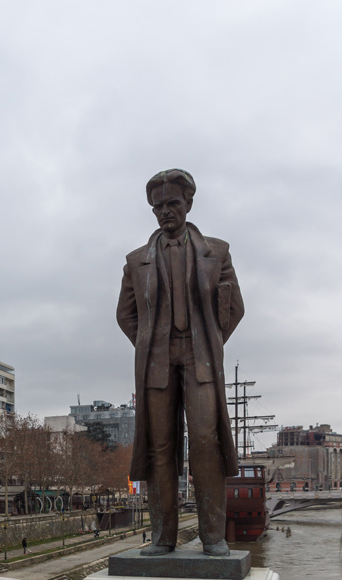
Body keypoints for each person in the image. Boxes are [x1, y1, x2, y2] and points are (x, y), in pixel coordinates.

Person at [117, 169, 244, 557]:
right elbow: (126, 315)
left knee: (205, 442)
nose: (165, 212)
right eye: (158, 206)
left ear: (188, 203)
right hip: (156, 359)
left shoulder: (216, 252)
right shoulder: (136, 261)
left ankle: (213, 536)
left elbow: (234, 308)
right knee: (160, 446)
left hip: (199, 355)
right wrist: (149, 343)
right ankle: (162, 537)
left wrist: (208, 343)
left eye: (172, 203)